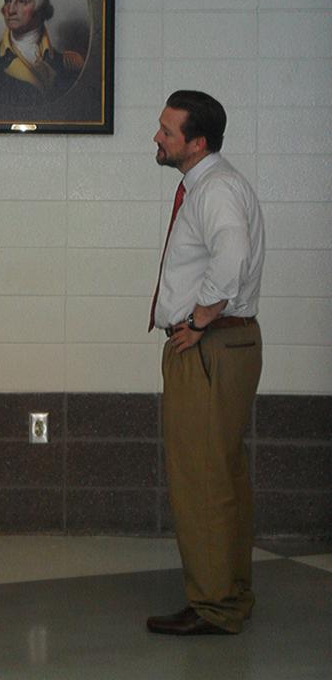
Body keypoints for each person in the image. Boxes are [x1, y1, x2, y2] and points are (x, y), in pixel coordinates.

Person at [146, 90, 265, 636]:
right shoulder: (214, 184)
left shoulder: (214, 189)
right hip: (223, 345)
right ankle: (230, 592)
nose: (157, 137)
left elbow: (232, 260)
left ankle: (215, 605)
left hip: (210, 347)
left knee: (202, 478)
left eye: (168, 132)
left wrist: (197, 320)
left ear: (196, 143)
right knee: (222, 474)